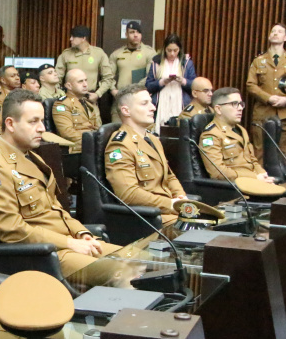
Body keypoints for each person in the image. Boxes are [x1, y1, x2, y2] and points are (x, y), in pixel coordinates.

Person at [0, 90, 121, 277]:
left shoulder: (31, 158)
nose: (42, 128)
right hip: (45, 254)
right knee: (123, 272)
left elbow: (55, 209)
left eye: (42, 121)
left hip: (68, 242)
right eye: (33, 122)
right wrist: (69, 243)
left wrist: (82, 233)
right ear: (10, 124)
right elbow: (12, 229)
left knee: (138, 261)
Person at [105, 84, 187, 226]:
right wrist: (171, 204)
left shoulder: (153, 139)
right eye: (144, 104)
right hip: (150, 216)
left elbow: (169, 175)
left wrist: (182, 198)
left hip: (169, 212)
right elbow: (129, 194)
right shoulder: (119, 145)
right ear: (126, 110)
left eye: (150, 102)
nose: (153, 108)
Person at [246, 23, 286, 161]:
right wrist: (268, 98)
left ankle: (282, 182)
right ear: (269, 36)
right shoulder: (259, 60)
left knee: (284, 151)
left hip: (285, 112)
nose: (275, 33)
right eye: (273, 31)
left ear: (285, 38)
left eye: (279, 31)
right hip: (263, 111)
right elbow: (250, 84)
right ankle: (258, 179)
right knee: (259, 150)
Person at [198, 87, 275, 183]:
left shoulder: (241, 130)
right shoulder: (211, 136)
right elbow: (218, 173)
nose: (240, 108)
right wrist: (254, 177)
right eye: (234, 104)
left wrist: (263, 174)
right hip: (235, 188)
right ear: (218, 109)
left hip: (254, 183)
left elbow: (252, 161)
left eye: (241, 104)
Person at [145, 33, 197, 128]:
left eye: (175, 50)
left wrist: (183, 81)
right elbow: (148, 86)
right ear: (164, 49)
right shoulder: (156, 62)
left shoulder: (186, 62)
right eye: (169, 50)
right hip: (160, 103)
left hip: (181, 103)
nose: (172, 53)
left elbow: (195, 86)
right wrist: (162, 82)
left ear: (180, 49)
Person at [54, 26, 114, 105]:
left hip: (90, 98)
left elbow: (108, 78)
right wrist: (61, 93)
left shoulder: (98, 53)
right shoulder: (66, 54)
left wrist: (98, 94)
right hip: (70, 99)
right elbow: (56, 78)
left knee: (93, 117)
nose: (70, 39)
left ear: (83, 38)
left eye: (73, 37)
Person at [109, 20, 157, 117]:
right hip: (120, 99)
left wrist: (134, 91)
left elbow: (150, 76)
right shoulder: (117, 53)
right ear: (126, 34)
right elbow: (108, 76)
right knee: (118, 129)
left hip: (139, 99)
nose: (135, 35)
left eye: (138, 32)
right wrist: (113, 90)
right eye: (132, 32)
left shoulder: (149, 53)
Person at [51, 69, 101, 150]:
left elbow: (96, 127)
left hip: (91, 145)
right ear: (69, 86)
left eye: (86, 80)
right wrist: (92, 141)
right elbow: (67, 133)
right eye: (80, 81)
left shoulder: (87, 103)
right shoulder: (62, 104)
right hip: (76, 149)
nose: (85, 84)